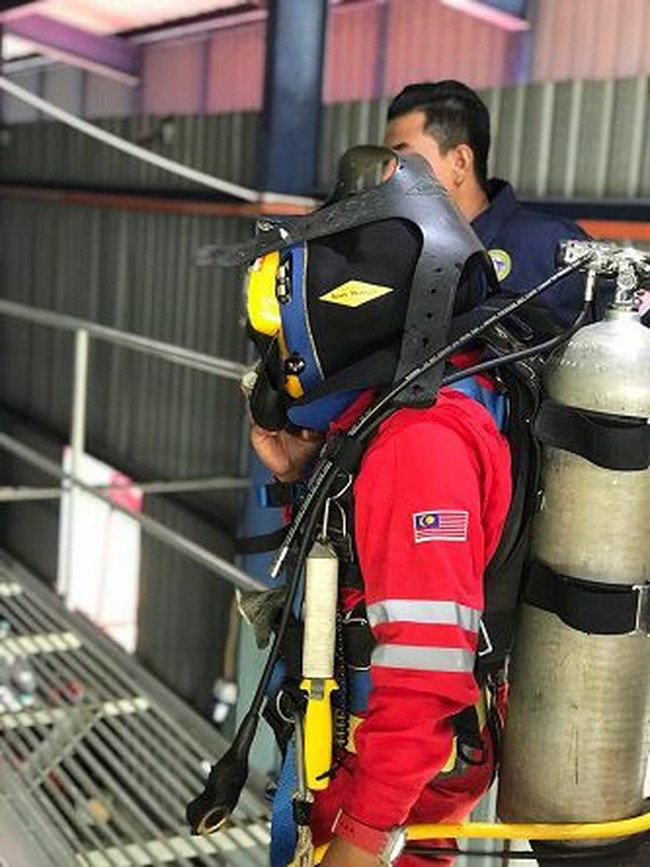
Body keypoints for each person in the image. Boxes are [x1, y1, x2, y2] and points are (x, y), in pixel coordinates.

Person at [236, 150, 513, 866]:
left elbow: (422, 687)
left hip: (381, 807)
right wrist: (304, 467)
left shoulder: (420, 443)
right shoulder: (398, 414)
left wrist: (357, 843)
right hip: (371, 782)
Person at [383, 80, 589, 327]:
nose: (387, 175)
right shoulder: (390, 251)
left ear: (460, 161)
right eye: (387, 161)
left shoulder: (551, 250)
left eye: (402, 159)